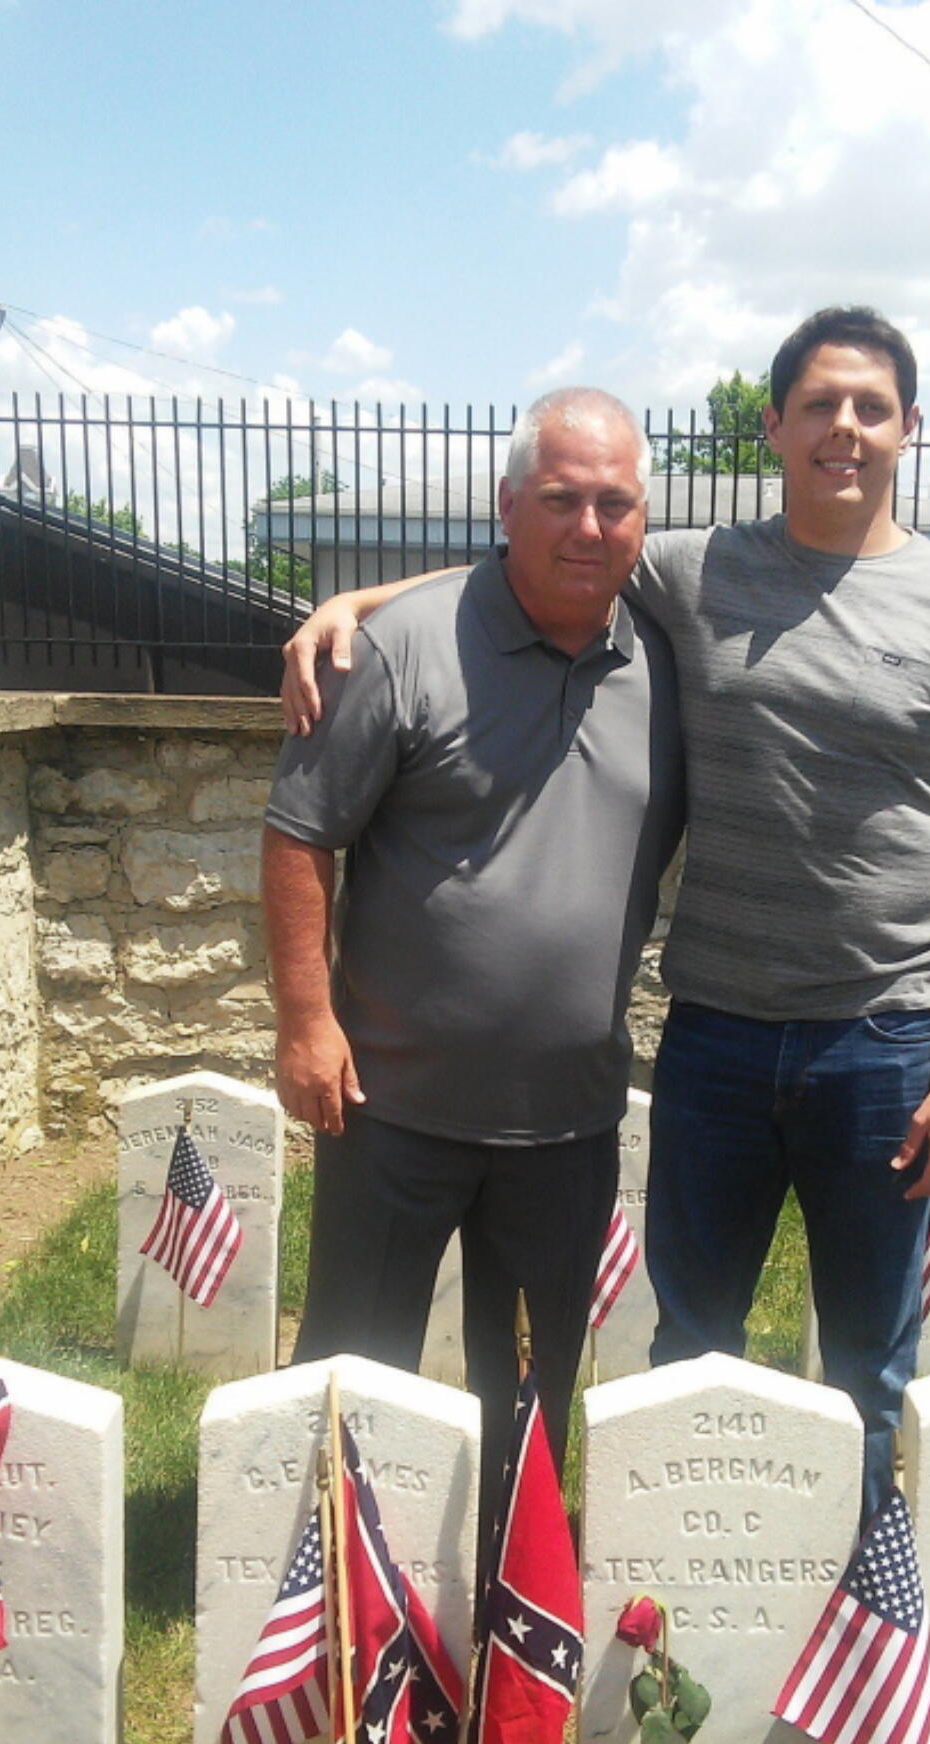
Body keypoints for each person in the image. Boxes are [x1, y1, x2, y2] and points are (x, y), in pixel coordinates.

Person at [279, 307, 930, 1517]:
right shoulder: (698, 570)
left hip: (881, 1039)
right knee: (687, 1345)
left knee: (866, 1359)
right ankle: (673, 1593)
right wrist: (362, 604)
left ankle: (846, 1605)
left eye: (869, 407)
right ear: (774, 425)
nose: (842, 429)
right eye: (818, 405)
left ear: (911, 428)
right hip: (718, 1038)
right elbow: (547, 548)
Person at [263, 389, 684, 1552]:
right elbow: (300, 834)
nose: (586, 527)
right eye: (557, 500)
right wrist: (305, 1020)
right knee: (355, 1365)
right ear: (507, 507)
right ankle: (337, 1588)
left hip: (565, 1121)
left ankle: (511, 1588)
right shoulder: (397, 647)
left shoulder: (668, 661)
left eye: (613, 504)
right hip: (391, 1106)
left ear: (644, 520)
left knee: (534, 1391)